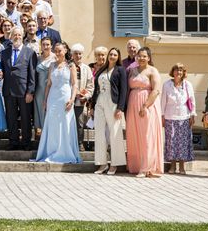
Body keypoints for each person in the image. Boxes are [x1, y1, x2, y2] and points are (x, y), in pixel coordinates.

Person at [35, 42, 81, 164]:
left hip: (65, 96)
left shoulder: (71, 66)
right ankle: (51, 150)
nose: (57, 53)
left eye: (60, 50)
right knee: (53, 124)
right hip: (53, 98)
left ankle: (65, 152)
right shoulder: (52, 66)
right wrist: (45, 100)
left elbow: (74, 84)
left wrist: (72, 99)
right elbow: (49, 84)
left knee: (65, 123)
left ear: (65, 51)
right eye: (56, 50)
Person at [89, 47, 127, 175]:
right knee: (99, 133)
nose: (112, 56)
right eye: (111, 54)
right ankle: (102, 163)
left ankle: (115, 164)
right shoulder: (102, 70)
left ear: (118, 57)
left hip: (113, 103)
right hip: (100, 101)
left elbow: (124, 90)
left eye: (115, 55)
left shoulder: (120, 70)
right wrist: (92, 106)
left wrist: (120, 108)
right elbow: (96, 89)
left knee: (114, 132)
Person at [126, 47, 163, 178]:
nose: (141, 58)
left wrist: (145, 105)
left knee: (147, 135)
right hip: (132, 103)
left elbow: (156, 90)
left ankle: (146, 167)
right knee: (134, 135)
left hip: (147, 105)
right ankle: (136, 165)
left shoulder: (153, 71)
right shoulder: (132, 71)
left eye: (144, 56)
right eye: (139, 56)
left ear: (149, 58)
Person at [0, 26, 37, 150]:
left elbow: (32, 74)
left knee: (26, 118)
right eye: (15, 35)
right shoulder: (4, 53)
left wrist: (30, 92)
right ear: (11, 36)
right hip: (9, 91)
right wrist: (0, 74)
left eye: (19, 35)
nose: (17, 37)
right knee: (11, 117)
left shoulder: (29, 52)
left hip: (24, 91)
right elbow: (2, 71)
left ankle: (26, 142)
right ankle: (13, 141)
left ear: (23, 36)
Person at [161, 63, 196, 175]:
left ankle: (181, 166)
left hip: (184, 117)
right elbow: (163, 101)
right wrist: (162, 116)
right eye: (176, 70)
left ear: (184, 73)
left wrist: (192, 114)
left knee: (183, 143)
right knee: (171, 142)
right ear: (173, 72)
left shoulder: (187, 85)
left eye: (181, 70)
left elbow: (192, 100)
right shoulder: (166, 84)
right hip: (170, 116)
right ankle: (172, 166)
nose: (178, 72)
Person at [70, 43, 94, 149]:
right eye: (76, 53)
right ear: (72, 55)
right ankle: (68, 144)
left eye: (80, 54)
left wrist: (86, 96)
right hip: (68, 99)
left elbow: (90, 85)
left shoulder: (87, 69)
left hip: (80, 100)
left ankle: (79, 143)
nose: (78, 56)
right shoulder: (68, 67)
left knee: (79, 123)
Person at [34, 37, 55, 138]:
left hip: (52, 90)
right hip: (39, 90)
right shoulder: (37, 59)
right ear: (41, 46)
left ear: (51, 46)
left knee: (50, 111)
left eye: (48, 44)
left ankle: (51, 135)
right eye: (44, 44)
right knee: (40, 111)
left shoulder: (55, 58)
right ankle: (42, 135)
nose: (46, 47)